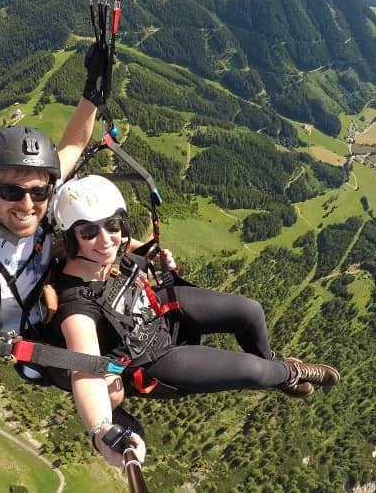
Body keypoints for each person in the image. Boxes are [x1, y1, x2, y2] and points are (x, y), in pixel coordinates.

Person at [46, 175, 340, 466]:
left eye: (112, 225)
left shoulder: (109, 248)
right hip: (151, 358)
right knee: (252, 371)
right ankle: (287, 374)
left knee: (250, 312)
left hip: (159, 308)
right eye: (88, 232)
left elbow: (123, 245)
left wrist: (154, 253)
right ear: (71, 237)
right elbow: (84, 369)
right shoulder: (76, 303)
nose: (105, 239)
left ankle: (273, 363)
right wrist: (100, 431)